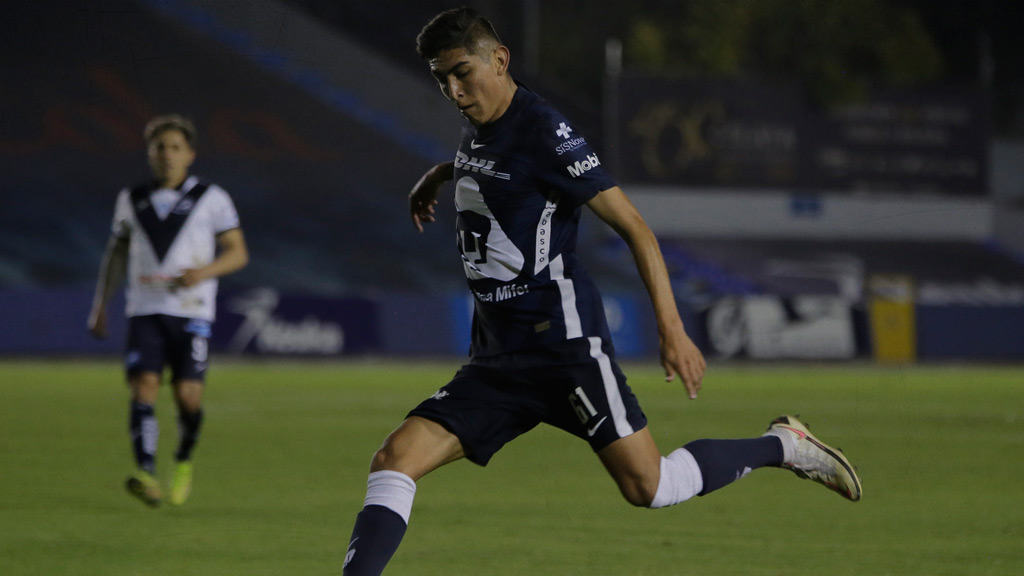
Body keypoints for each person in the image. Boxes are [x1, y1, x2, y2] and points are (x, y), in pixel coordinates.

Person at [342, 8, 861, 574]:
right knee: (393, 461)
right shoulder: (482, 124)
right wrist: (441, 174)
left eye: (462, 73)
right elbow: (494, 167)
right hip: (497, 362)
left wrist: (672, 328)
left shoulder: (544, 129)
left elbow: (633, 225)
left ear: (500, 59)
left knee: (650, 486)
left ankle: (783, 445)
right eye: (442, 79)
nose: (454, 91)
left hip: (564, 349)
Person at [87, 114, 249, 507]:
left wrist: (204, 272)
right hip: (145, 309)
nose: (167, 155)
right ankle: (146, 473)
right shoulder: (131, 199)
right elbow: (117, 254)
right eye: (160, 147)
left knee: (188, 398)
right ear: (149, 153)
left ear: (190, 154)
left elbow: (238, 253)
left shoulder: (212, 198)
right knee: (143, 388)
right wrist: (101, 305)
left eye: (175, 147)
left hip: (192, 311)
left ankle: (182, 461)